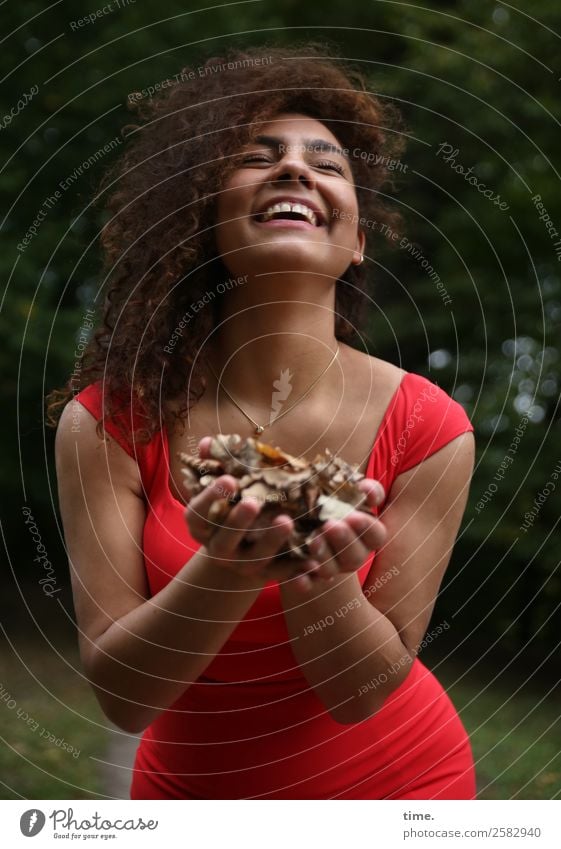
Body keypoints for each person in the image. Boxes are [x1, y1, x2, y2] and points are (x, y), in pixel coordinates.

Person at [48, 43, 477, 799]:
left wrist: (319, 571)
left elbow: (362, 691)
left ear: (357, 242)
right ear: (203, 217)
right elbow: (124, 694)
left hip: (404, 790)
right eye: (259, 155)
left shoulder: (430, 428)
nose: (295, 169)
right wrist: (232, 561)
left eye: (326, 162)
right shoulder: (109, 421)